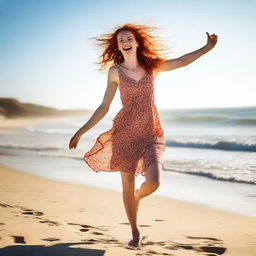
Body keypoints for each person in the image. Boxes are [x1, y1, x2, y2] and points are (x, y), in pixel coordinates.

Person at [69, 23, 218, 247]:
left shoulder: (152, 67)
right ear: (118, 47)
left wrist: (206, 48)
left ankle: (139, 196)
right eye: (121, 41)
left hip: (151, 134)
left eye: (129, 39)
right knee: (126, 186)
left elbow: (181, 61)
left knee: (154, 182)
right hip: (124, 135)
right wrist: (81, 131)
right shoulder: (115, 72)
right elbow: (104, 107)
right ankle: (135, 233)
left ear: (137, 42)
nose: (125, 43)